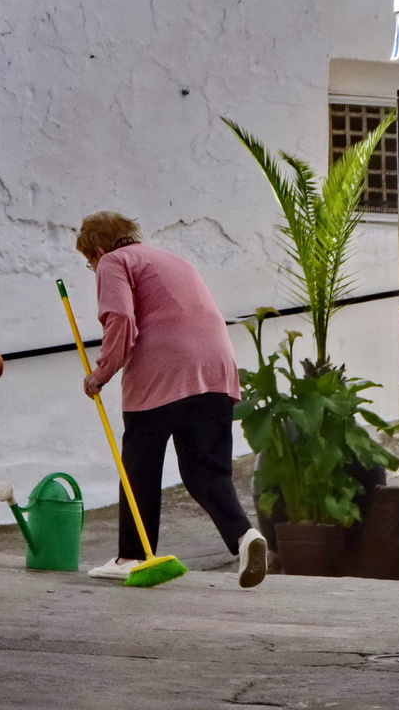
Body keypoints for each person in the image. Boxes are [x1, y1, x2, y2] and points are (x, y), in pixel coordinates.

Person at [75, 212, 267, 588]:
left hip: (162, 370)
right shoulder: (175, 260)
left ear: (98, 250)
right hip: (216, 369)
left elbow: (121, 319)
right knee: (205, 470)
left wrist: (102, 372)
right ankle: (246, 536)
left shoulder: (114, 261)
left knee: (140, 465)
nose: (93, 268)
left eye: (89, 262)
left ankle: (132, 556)